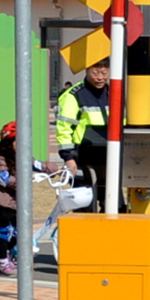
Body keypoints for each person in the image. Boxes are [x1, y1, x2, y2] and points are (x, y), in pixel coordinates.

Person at [0, 121, 62, 277]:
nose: (23, 144)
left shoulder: (23, 156)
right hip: (1, 201)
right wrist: (23, 182)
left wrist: (56, 169)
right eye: (18, 141)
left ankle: (3, 253)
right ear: (8, 142)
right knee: (7, 231)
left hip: (15, 202)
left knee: (20, 232)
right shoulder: (1, 158)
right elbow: (2, 178)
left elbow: (38, 165)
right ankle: (3, 262)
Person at [54, 61, 114, 207]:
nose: (100, 77)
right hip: (82, 158)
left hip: (110, 157)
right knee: (84, 207)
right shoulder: (73, 95)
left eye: (104, 73)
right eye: (95, 73)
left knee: (114, 206)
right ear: (87, 70)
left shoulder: (114, 92)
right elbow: (64, 129)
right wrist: (68, 157)